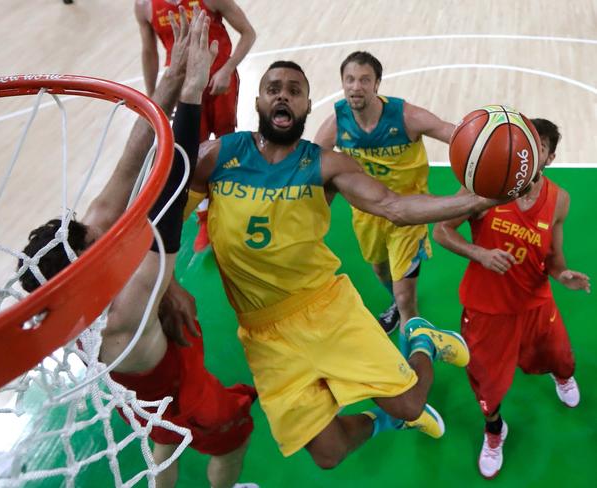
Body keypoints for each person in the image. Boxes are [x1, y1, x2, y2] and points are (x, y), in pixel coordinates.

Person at [175, 59, 505, 469]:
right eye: (273, 87)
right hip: (263, 333)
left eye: (294, 90)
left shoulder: (325, 164)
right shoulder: (219, 155)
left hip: (325, 310)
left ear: (308, 105)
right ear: (258, 100)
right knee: (329, 453)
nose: (283, 94)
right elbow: (166, 215)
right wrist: (169, 281)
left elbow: (394, 205)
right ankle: (388, 423)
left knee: (410, 401)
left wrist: (477, 200)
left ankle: (421, 339)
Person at [18, 11, 257, 488]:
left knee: (162, 441)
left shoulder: (69, 283)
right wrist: (190, 96)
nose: (95, 229)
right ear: (84, 268)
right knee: (232, 435)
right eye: (91, 240)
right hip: (168, 383)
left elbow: (132, 162)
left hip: (129, 387)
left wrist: (169, 82)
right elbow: (171, 192)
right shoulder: (128, 302)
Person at [432, 118, 590, 480]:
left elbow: (553, 258)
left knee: (561, 359)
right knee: (488, 383)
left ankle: (561, 378)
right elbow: (441, 231)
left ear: (549, 157)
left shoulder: (559, 200)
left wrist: (563, 275)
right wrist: (479, 253)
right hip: (487, 309)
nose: (533, 153)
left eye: (542, 148)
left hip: (536, 302)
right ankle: (494, 431)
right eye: (528, 144)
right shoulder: (486, 186)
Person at [315, 51, 455, 338]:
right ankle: (398, 301)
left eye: (365, 80)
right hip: (367, 214)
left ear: (377, 83)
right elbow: (313, 165)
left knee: (406, 301)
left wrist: (491, 145)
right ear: (342, 83)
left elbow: (450, 132)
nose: (356, 86)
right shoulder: (337, 123)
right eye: (350, 79)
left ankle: (412, 354)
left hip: (408, 212)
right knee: (381, 271)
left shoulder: (406, 116)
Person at [135, 0, 256, 252]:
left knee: (225, 143)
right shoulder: (144, 6)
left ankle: (232, 207)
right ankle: (204, 220)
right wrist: (156, 98)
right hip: (183, 90)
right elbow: (149, 51)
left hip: (219, 80)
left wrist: (227, 69)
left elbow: (248, 32)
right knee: (190, 154)